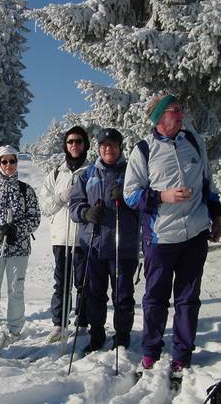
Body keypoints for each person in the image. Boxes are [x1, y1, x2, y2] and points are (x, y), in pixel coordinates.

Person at [123, 94, 221, 373]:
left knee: (188, 300)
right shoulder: (144, 150)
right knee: (156, 298)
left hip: (195, 235)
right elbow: (130, 196)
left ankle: (182, 354)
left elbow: (207, 183)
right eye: (174, 110)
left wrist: (216, 217)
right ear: (159, 117)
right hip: (161, 238)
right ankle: (151, 350)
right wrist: (162, 196)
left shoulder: (194, 142)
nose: (181, 115)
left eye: (181, 109)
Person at [70, 128, 140, 354]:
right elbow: (74, 205)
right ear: (99, 148)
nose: (108, 149)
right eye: (104, 145)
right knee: (94, 294)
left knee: (123, 295)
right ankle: (96, 335)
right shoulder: (88, 174)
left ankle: (122, 336)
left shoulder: (132, 172)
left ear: (119, 147)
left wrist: (127, 201)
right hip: (94, 244)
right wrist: (87, 213)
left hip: (123, 245)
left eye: (112, 145)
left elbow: (144, 204)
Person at [0, 145, 41, 342]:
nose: (8, 165)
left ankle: (14, 329)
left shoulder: (25, 190)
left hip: (18, 249)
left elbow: (34, 218)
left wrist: (16, 230)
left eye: (12, 161)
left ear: (16, 162)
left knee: (15, 291)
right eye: (4, 161)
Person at [39, 126, 92, 343]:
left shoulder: (92, 170)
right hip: (61, 237)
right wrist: (61, 197)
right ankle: (59, 324)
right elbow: (45, 206)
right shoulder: (56, 173)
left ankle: (82, 322)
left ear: (85, 144)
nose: (74, 145)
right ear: (65, 145)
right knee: (61, 283)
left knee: (83, 282)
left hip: (83, 236)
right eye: (70, 141)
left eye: (78, 141)